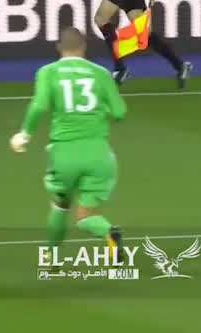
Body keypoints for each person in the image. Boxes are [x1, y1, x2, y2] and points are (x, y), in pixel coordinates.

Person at [9, 27, 127, 262]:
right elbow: (120, 112)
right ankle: (107, 232)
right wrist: (100, 109)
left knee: (61, 205)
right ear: (84, 47)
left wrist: (25, 134)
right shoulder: (101, 73)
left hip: (65, 155)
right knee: (85, 216)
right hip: (100, 156)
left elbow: (39, 105)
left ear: (58, 48)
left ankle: (51, 257)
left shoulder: (48, 72)